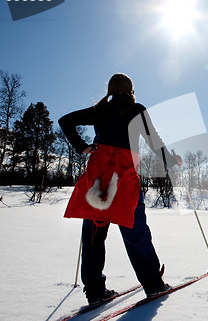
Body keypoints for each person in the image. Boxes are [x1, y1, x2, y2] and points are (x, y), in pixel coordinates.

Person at [59, 73, 181, 306]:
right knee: (135, 231)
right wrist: (171, 159)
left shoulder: (100, 109)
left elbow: (65, 120)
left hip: (100, 177)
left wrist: (82, 147)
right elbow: (153, 140)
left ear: (111, 89)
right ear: (131, 89)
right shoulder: (137, 110)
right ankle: (153, 284)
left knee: (94, 234)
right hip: (123, 177)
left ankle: (94, 292)